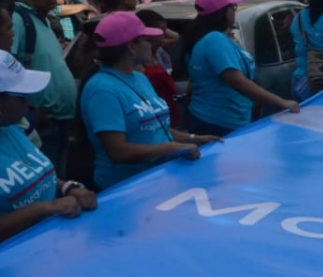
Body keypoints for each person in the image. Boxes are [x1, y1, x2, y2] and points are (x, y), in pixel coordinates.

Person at [80, 13, 219, 190]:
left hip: (158, 178)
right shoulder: (101, 90)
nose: (152, 44)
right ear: (131, 47)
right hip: (126, 188)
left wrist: (193, 139)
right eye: (146, 39)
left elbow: (153, 127)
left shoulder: (139, 77)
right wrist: (170, 149)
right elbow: (117, 151)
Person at [0, 49, 97, 242]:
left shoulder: (14, 127)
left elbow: (35, 176)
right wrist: (45, 208)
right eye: (21, 97)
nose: (29, 105)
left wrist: (68, 187)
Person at [185, 0, 298, 136]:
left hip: (220, 119)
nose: (235, 10)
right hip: (219, 123)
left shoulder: (216, 39)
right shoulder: (215, 41)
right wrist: (282, 102)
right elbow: (239, 83)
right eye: (233, 6)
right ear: (222, 12)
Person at [11, 0, 76, 175]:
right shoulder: (19, 19)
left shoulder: (43, 19)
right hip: (42, 123)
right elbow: (6, 67)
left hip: (59, 121)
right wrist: (30, 110)